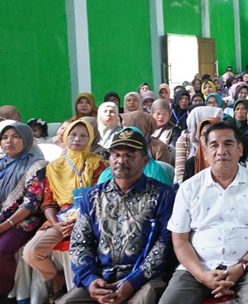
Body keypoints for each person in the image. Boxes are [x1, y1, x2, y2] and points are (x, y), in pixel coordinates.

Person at [161, 121, 248, 304]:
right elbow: (180, 239)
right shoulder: (189, 188)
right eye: (214, 145)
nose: (221, 151)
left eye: (228, 144)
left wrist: (241, 267)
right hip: (198, 266)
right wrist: (202, 274)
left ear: (240, 149)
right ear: (206, 152)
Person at [61, 128, 175, 304]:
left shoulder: (163, 195)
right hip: (102, 277)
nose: (121, 160)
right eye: (116, 155)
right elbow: (79, 243)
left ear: (144, 160)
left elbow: (164, 245)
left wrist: (133, 281)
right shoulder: (93, 197)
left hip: (145, 279)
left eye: (129, 155)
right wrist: (91, 281)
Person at [24, 120, 107, 301]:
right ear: (66, 136)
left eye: (83, 136)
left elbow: (102, 199)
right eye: (73, 134)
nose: (77, 139)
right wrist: (57, 224)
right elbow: (48, 202)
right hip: (61, 218)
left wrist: (80, 219)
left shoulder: (98, 165)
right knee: (31, 252)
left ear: (90, 138)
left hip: (90, 217)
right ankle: (56, 279)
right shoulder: (54, 167)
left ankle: (80, 294)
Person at [0, 123, 47, 298]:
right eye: (4, 137)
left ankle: (3, 292)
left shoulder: (36, 165)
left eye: (15, 136)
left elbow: (30, 204)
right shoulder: (1, 164)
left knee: (1, 249)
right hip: (2, 218)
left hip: (24, 220)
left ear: (26, 139)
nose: (8, 141)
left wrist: (4, 226)